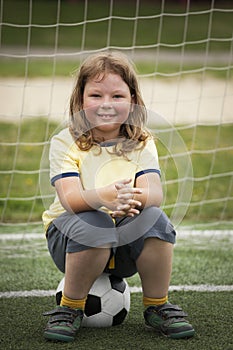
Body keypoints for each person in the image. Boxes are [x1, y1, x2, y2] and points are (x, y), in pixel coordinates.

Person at [42, 51, 195, 342]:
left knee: (155, 219)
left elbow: (154, 193)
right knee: (95, 220)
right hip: (70, 240)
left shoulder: (142, 141)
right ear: (80, 100)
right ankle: (70, 307)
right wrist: (104, 197)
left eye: (117, 96)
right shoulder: (65, 141)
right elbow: (70, 200)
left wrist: (129, 198)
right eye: (96, 95)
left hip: (125, 241)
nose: (106, 105)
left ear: (133, 100)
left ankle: (157, 305)